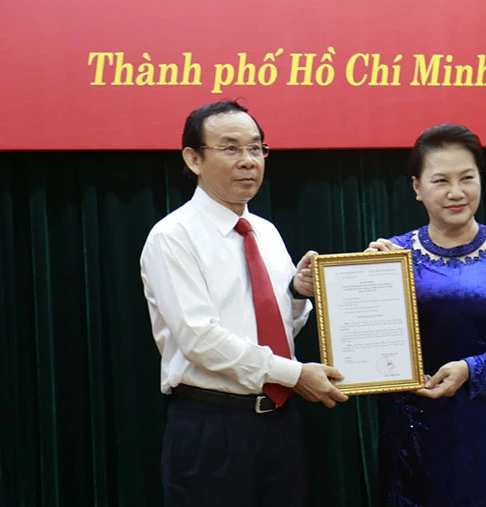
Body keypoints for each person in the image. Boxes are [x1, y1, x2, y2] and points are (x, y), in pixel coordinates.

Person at [140, 100, 348, 507]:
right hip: (212, 426)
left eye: (256, 148)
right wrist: (295, 375)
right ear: (193, 159)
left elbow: (283, 326)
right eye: (231, 148)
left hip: (279, 424)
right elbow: (200, 339)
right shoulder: (172, 237)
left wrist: (297, 294)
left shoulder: (265, 231)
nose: (248, 161)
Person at [366, 124, 486, 506]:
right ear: (417, 187)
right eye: (441, 181)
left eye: (467, 178)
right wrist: (366, 278)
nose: (456, 192)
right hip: (412, 428)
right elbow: (369, 343)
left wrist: (471, 369)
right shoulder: (392, 255)